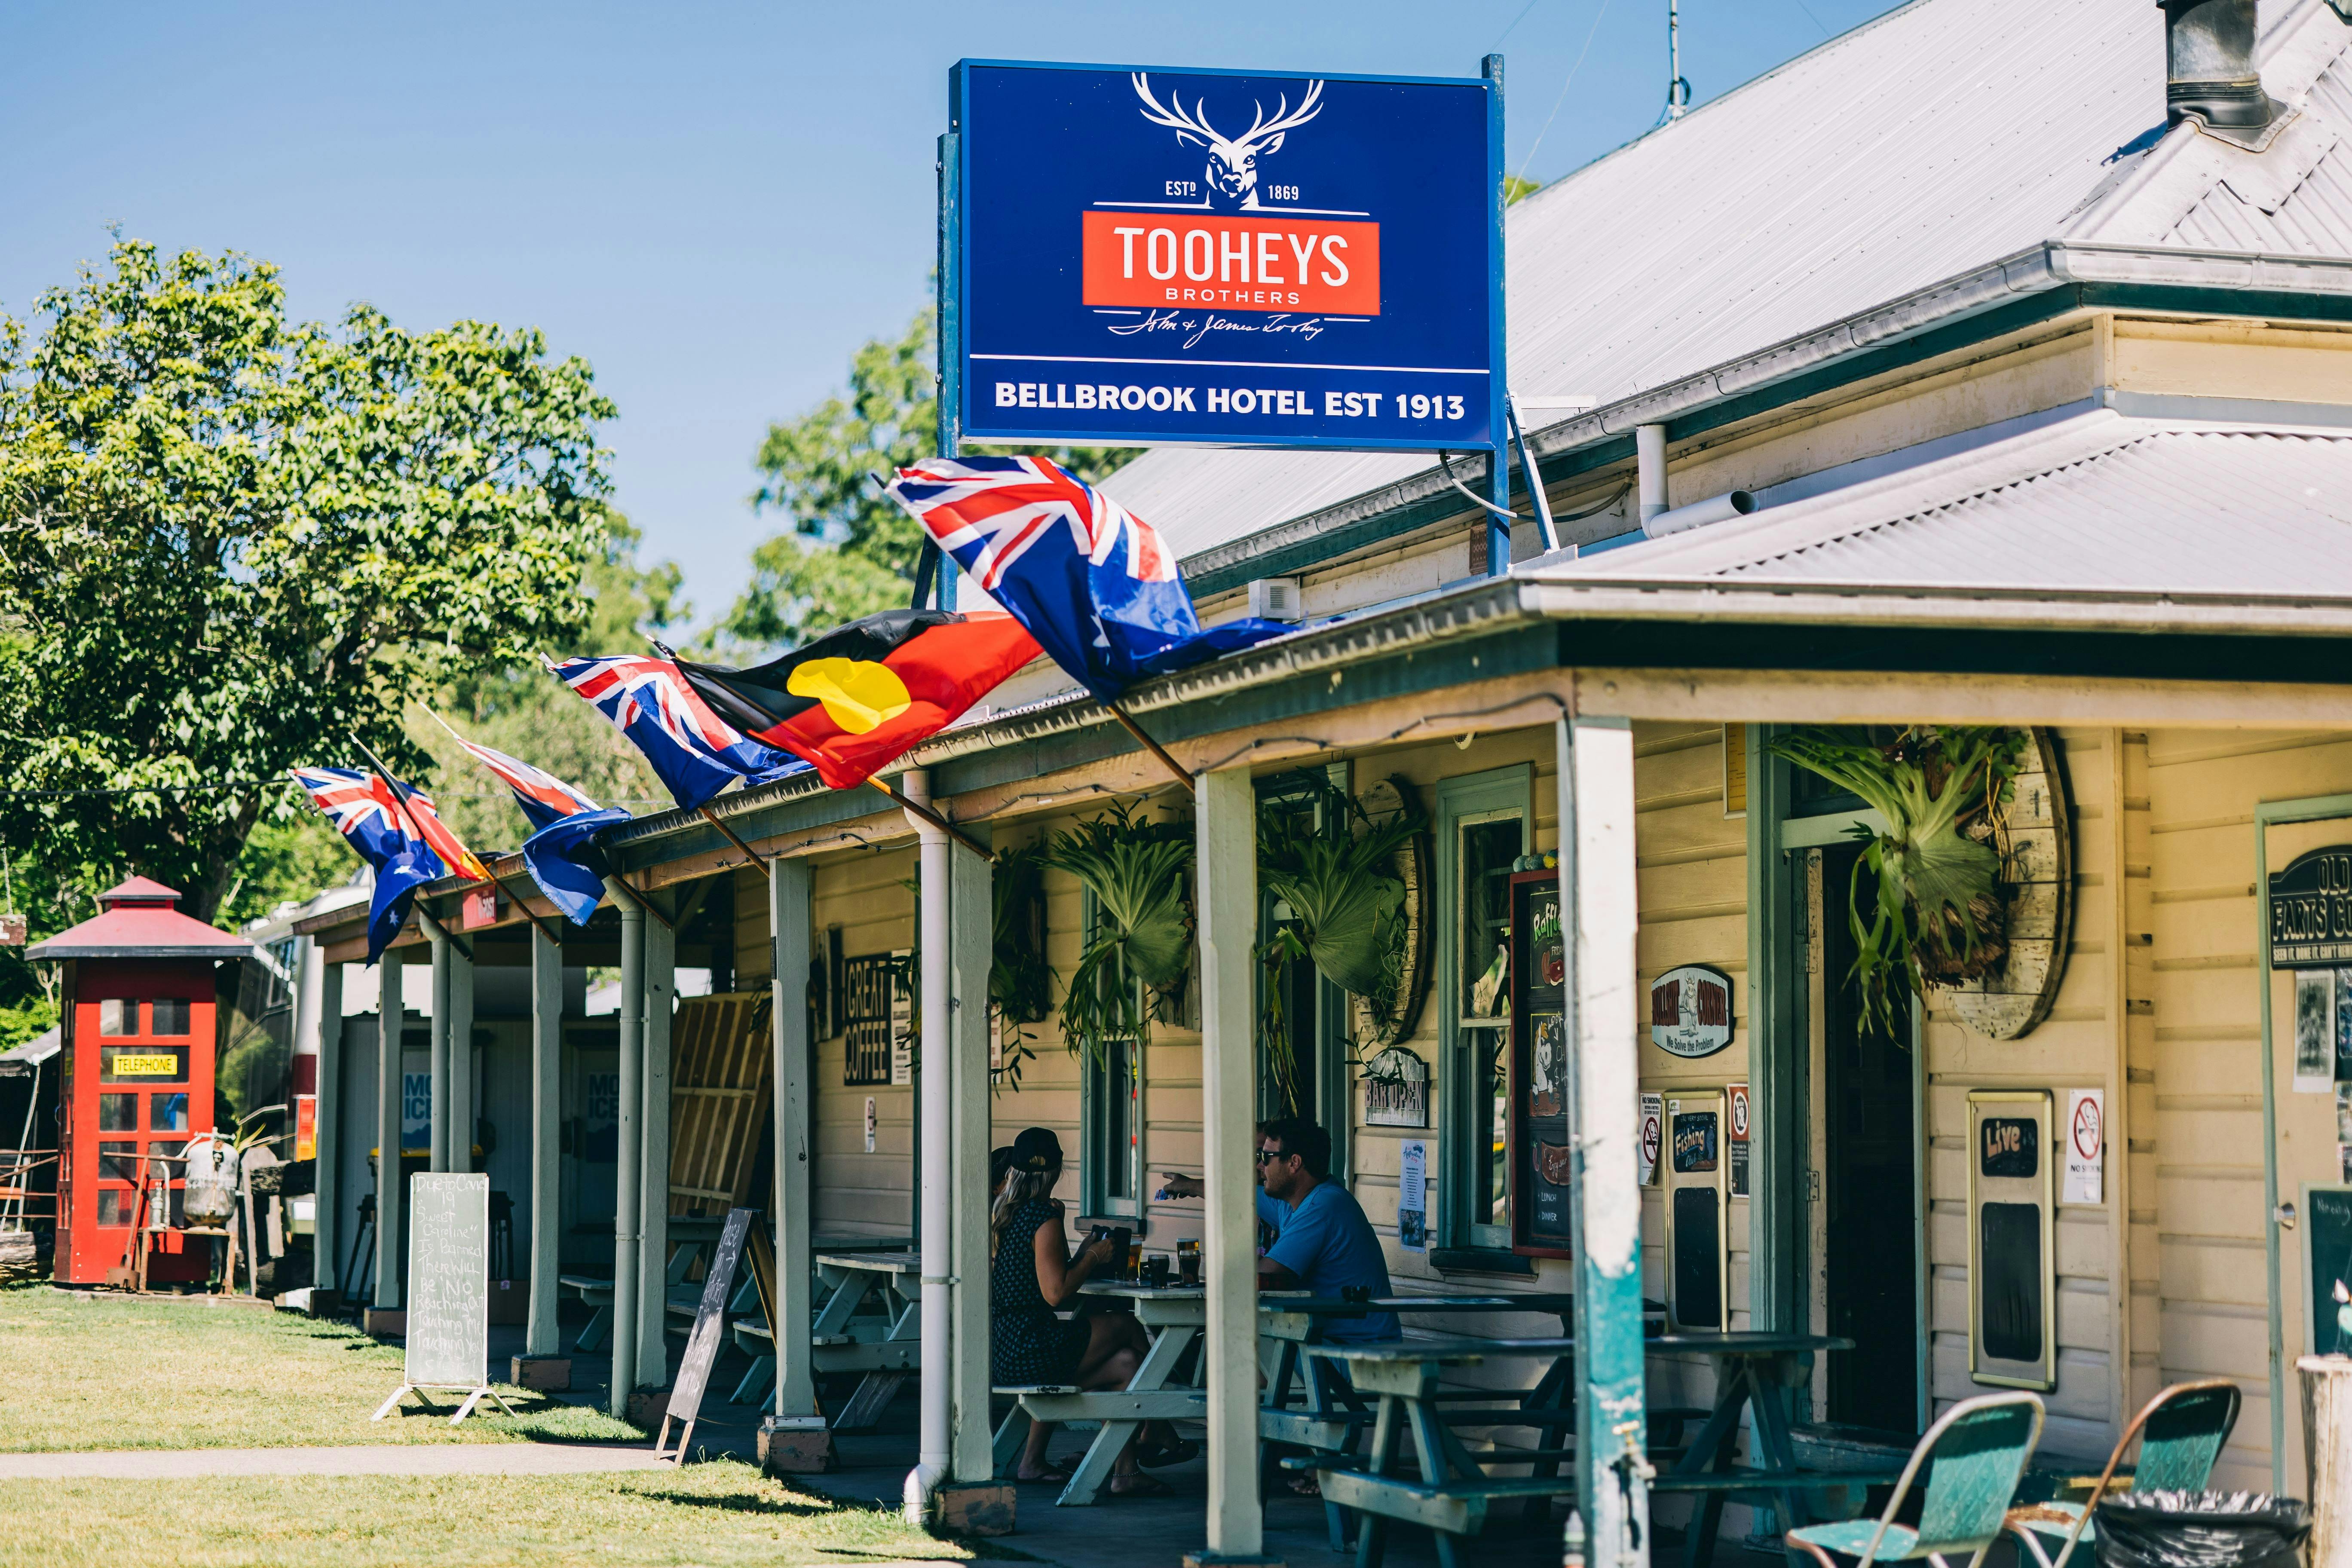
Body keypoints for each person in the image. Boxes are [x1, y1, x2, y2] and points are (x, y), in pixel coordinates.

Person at [989, 1126, 1191, 1494]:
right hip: (1032, 1346)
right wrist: (1094, 1257)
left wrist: (1083, 1256)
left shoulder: (1008, 1214)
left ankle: (1124, 1473)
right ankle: (1158, 1425)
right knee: (1127, 1324)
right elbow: (1055, 1294)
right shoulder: (1041, 1217)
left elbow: (1048, 1284)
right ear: (1056, 1170)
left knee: (1129, 1364)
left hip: (1006, 1348)